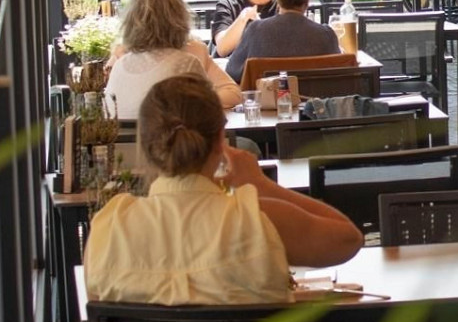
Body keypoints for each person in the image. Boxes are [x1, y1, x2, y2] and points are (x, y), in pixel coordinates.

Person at [84, 74, 362, 305]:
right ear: (221, 139)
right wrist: (261, 185)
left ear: (145, 146)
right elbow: (349, 239)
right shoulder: (258, 219)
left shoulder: (109, 228)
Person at [106, 0, 242, 121]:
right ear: (180, 17)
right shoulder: (188, 59)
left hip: (126, 136)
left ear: (130, 20)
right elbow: (233, 94)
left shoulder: (120, 64)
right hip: (174, 135)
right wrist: (192, 104)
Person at [225, 0, 339, 85]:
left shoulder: (256, 31)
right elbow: (340, 75)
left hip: (267, 97)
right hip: (314, 97)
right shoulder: (325, 35)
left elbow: (231, 72)